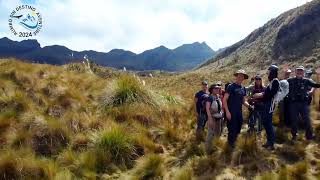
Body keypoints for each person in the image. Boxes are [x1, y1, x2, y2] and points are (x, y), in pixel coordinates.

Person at [287, 66, 320, 141]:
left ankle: (309, 136)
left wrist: (318, 75)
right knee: (294, 120)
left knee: (307, 120)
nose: (299, 72)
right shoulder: (290, 80)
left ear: (303, 72)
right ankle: (294, 136)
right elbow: (281, 85)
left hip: (303, 104)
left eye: (301, 71)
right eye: (298, 71)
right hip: (293, 104)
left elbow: (317, 85)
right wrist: (285, 74)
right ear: (295, 72)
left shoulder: (306, 81)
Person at [253, 65, 280, 150]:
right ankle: (269, 142)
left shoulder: (275, 81)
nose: (268, 73)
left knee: (268, 124)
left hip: (270, 105)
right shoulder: (272, 81)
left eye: (269, 71)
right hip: (267, 105)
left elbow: (270, 94)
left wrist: (260, 95)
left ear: (272, 72)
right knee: (266, 123)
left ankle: (271, 144)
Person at [223, 70, 253, 147]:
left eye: (242, 76)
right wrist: (227, 112)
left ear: (244, 78)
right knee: (232, 129)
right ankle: (229, 146)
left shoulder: (243, 88)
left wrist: (249, 106)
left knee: (239, 127)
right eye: (239, 75)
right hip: (231, 111)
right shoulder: (231, 87)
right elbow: (224, 99)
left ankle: (234, 142)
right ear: (236, 76)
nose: (240, 77)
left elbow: (243, 101)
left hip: (239, 112)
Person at [205, 83, 224, 153]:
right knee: (210, 134)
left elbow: (220, 107)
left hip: (219, 118)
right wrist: (210, 119)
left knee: (217, 133)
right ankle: (207, 150)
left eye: (218, 88)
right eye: (215, 88)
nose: (217, 89)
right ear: (211, 90)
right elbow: (207, 109)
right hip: (212, 118)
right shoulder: (209, 97)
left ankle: (214, 147)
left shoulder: (218, 96)